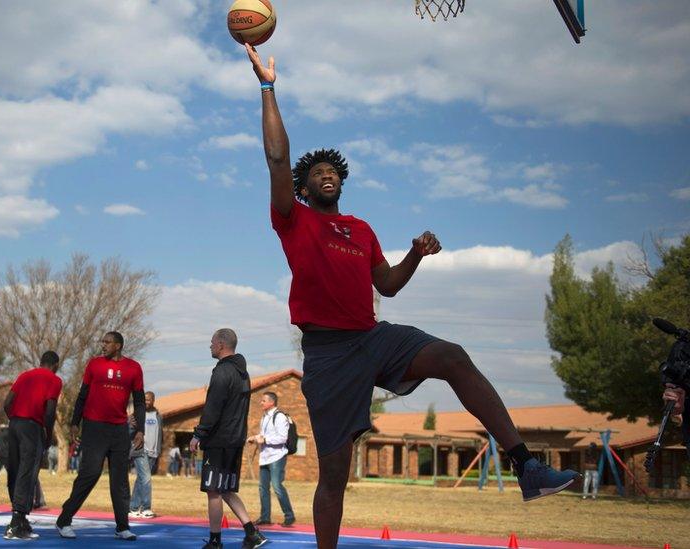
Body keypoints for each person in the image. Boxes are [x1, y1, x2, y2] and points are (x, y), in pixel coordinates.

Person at [244, 44, 581, 548]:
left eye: (332, 170)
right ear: (303, 187)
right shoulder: (294, 219)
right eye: (315, 173)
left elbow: (388, 286)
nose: (326, 174)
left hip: (373, 337)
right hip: (330, 353)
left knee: (451, 355)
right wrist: (268, 87)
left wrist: (416, 255)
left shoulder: (360, 228)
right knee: (334, 474)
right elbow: (276, 156)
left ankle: (525, 465)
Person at [56, 332, 144, 541]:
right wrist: (75, 423)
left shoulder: (134, 368)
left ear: (118, 345)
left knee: (120, 480)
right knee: (91, 473)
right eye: (102, 342)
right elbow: (82, 394)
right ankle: (64, 520)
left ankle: (122, 527)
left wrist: (140, 429)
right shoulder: (94, 364)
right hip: (94, 427)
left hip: (120, 430)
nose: (103, 345)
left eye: (107, 342)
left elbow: (139, 401)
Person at [190, 328, 267, 549]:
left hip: (219, 439)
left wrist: (198, 434)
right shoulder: (242, 371)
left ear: (222, 344)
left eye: (212, 342)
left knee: (213, 490)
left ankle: (215, 542)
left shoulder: (223, 372)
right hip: (235, 438)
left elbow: (213, 407)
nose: (210, 345)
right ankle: (252, 534)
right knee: (225, 489)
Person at [2, 350, 62, 539]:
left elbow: (7, 403)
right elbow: (50, 410)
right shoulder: (54, 380)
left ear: (41, 361)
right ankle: (16, 522)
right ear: (56, 365)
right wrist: (48, 432)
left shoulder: (25, 375)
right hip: (32, 427)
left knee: (15, 470)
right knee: (27, 473)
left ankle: (20, 518)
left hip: (14, 425)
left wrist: (15, 419)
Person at [248, 392, 295, 527]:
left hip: (277, 456)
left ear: (271, 402)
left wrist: (265, 439)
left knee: (277, 486)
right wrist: (255, 437)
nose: (261, 403)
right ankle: (265, 517)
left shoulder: (279, 417)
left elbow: (282, 438)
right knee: (263, 488)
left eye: (263, 401)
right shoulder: (265, 417)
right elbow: (264, 435)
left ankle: (289, 516)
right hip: (265, 457)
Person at [130, 390, 162, 519]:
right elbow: (129, 430)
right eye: (145, 399)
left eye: (149, 399)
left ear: (153, 400)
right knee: (147, 478)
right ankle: (146, 508)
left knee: (141, 479)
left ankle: (133, 508)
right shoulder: (137, 414)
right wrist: (129, 425)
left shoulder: (158, 415)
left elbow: (160, 434)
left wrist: (158, 450)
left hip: (153, 452)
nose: (146, 402)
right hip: (140, 450)